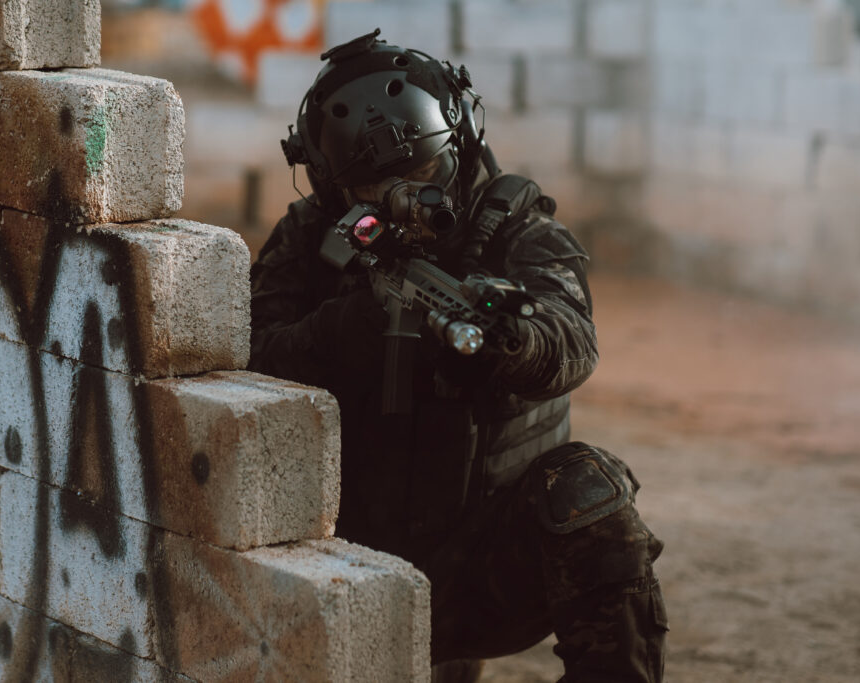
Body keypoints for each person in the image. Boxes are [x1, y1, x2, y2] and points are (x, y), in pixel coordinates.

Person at [248, 29, 668, 683]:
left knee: (591, 493)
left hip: (481, 555)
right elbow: (246, 357)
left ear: (460, 143)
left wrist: (508, 345)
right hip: (341, 549)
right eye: (374, 189)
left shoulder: (518, 231)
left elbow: (572, 341)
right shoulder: (309, 239)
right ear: (334, 187)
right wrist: (343, 331)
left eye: (420, 175)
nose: (406, 202)